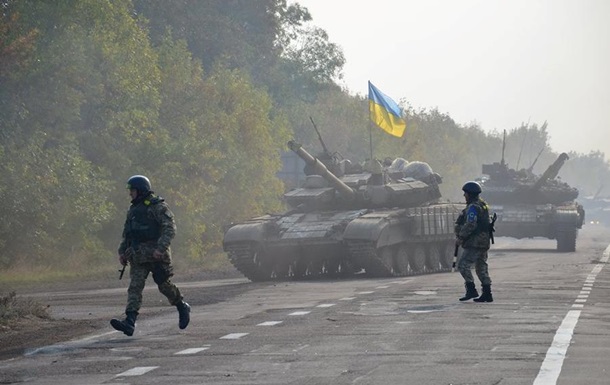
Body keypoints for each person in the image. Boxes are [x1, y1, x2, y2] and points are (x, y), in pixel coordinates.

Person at [110, 175, 190, 336]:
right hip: (138, 256)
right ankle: (130, 322)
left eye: (132, 190)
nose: (130, 194)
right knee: (135, 288)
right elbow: (127, 233)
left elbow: (170, 229)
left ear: (140, 190)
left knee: (163, 285)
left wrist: (160, 249)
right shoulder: (133, 209)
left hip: (156, 255)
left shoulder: (157, 207)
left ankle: (181, 305)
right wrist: (122, 252)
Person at [455, 181, 493, 303]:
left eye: (465, 193)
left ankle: (471, 290)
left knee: (463, 265)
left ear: (470, 194)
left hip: (475, 242)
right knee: (481, 267)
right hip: (484, 241)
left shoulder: (473, 207)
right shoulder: (482, 204)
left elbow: (471, 223)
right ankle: (487, 293)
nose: (464, 195)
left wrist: (461, 237)